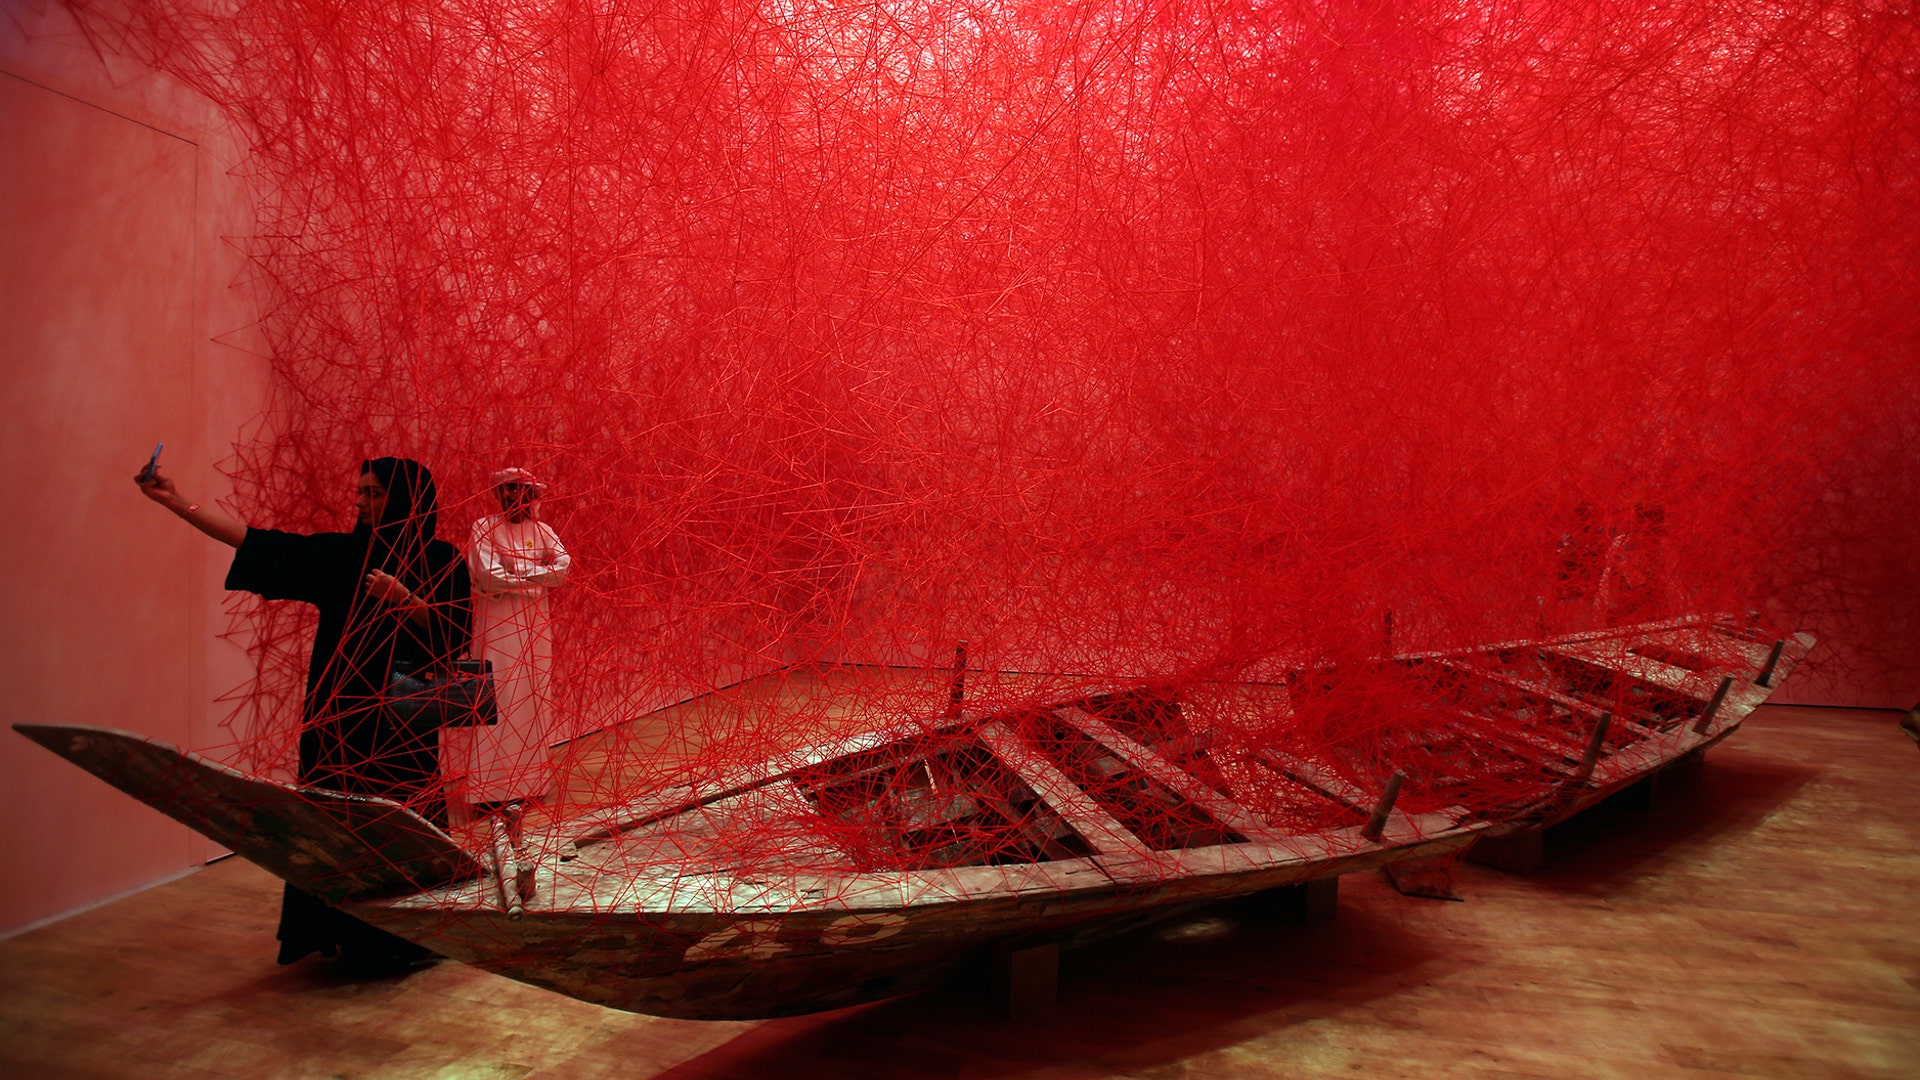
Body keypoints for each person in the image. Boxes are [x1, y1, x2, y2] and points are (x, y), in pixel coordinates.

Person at [137, 456, 471, 971]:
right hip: (338, 716)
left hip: (402, 721)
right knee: (335, 818)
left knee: (396, 823)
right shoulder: (341, 555)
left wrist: (404, 600)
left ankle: (404, 940)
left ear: (404, 499)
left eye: (373, 492)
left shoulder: (442, 559)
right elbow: (257, 542)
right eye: (358, 490)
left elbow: (455, 637)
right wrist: (177, 501)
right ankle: (338, 931)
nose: (358, 500)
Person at [446, 468, 570, 821]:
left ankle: (530, 784)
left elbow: (563, 568)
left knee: (531, 697)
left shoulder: (543, 531)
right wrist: (535, 576)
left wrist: (515, 576)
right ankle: (489, 790)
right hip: (499, 631)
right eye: (505, 490)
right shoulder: (484, 528)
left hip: (534, 629)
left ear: (532, 495)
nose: (512, 497)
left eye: (519, 490)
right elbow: (485, 574)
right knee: (497, 699)